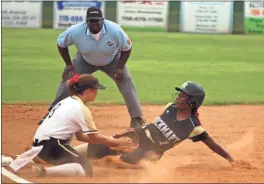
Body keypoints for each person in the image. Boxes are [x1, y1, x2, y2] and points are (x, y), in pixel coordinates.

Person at [73, 81, 247, 168]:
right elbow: (151, 126)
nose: (178, 97)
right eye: (179, 94)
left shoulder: (193, 127)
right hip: (139, 136)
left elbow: (214, 146)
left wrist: (232, 160)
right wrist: (133, 131)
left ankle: (104, 164)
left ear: (192, 102)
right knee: (102, 147)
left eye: (183, 96)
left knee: (122, 160)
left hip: (151, 152)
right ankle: (65, 155)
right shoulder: (169, 107)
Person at [9, 74, 136, 177]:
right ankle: (44, 172)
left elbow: (80, 136)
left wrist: (108, 142)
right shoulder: (80, 108)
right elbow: (93, 137)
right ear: (88, 90)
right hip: (53, 146)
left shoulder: (68, 101)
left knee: (88, 153)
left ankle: (30, 159)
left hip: (42, 145)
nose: (97, 92)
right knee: (86, 169)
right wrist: (116, 141)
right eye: (95, 89)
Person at [39, 6, 144, 128]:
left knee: (126, 81)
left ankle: (137, 118)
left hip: (112, 60)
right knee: (69, 79)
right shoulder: (76, 31)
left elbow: (127, 48)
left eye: (97, 20)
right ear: (86, 21)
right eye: (91, 21)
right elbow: (61, 43)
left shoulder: (115, 30)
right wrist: (68, 65)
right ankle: (53, 113)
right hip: (85, 60)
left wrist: (120, 67)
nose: (94, 23)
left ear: (102, 20)